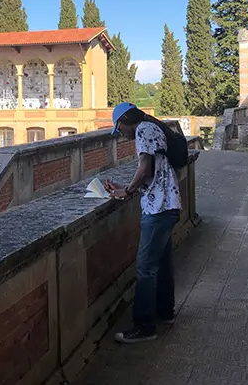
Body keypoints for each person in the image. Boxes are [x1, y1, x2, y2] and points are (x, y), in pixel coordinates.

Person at [105, 102, 182, 344]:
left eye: (119, 130)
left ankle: (145, 326)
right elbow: (153, 173)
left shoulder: (143, 130)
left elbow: (145, 168)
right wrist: (122, 187)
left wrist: (127, 191)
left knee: (145, 268)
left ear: (125, 121)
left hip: (158, 208)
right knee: (163, 262)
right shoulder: (152, 128)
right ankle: (165, 312)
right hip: (168, 204)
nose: (122, 135)